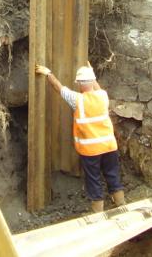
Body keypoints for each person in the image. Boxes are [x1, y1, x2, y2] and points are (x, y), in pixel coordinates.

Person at [35, 63, 126, 213]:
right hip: (109, 146)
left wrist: (48, 73)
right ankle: (121, 203)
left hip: (90, 150)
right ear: (93, 81)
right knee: (112, 173)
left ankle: (98, 212)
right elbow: (96, 87)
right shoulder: (103, 96)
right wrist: (91, 73)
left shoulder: (77, 100)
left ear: (78, 84)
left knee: (94, 179)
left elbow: (59, 88)